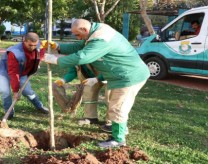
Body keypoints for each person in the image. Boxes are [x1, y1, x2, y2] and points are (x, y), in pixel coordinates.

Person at [42, 19, 150, 148]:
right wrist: (58, 47)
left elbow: (83, 56)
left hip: (128, 76)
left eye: (77, 34)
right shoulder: (94, 32)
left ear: (84, 30)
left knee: (118, 107)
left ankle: (118, 140)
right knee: (116, 106)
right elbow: (79, 46)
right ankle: (118, 131)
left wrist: (55, 60)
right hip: (119, 76)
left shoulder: (101, 38)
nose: (77, 37)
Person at [0, 32, 49, 120]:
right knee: (4, 91)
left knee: (28, 91)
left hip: (23, 71)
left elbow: (43, 50)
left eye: (34, 45)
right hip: (5, 71)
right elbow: (14, 73)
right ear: (24, 41)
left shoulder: (39, 46)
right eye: (30, 45)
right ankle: (9, 111)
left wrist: (40, 60)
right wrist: (16, 91)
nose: (32, 47)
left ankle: (39, 106)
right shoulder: (14, 52)